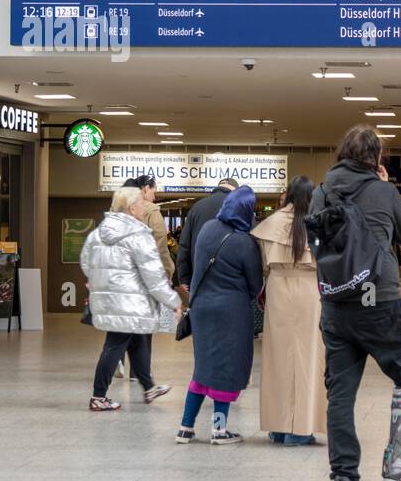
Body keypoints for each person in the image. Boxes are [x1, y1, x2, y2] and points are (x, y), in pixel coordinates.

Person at [310, 125, 401, 481]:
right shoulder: (383, 189)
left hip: (336, 302)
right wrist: (387, 187)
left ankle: (345, 479)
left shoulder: (321, 193)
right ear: (376, 158)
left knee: (340, 393)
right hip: (377, 298)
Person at [79, 185, 181, 411]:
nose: (145, 208)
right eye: (142, 205)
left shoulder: (99, 233)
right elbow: (153, 276)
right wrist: (173, 301)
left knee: (136, 341)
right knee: (114, 346)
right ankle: (98, 396)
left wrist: (103, 283)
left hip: (110, 300)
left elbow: (86, 262)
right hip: (130, 301)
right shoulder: (138, 235)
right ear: (132, 208)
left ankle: (149, 387)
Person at [176, 186, 263, 446]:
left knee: (202, 370)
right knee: (226, 370)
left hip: (201, 309)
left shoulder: (208, 229)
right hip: (231, 313)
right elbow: (255, 284)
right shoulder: (244, 242)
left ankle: (185, 428)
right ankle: (218, 430)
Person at [250, 176, 326, 447]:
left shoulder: (270, 225)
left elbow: (261, 266)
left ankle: (279, 426)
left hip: (279, 290)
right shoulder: (319, 223)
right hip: (310, 292)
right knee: (309, 359)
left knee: (278, 361)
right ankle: (302, 428)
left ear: (288, 195)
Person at [176, 177, 237, 293]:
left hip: (200, 280)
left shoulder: (197, 207)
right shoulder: (241, 208)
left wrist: (184, 278)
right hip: (232, 284)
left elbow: (184, 245)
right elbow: (252, 246)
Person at [122, 174, 175, 280]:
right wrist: (168, 271)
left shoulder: (118, 211)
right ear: (146, 189)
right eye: (153, 192)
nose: (154, 197)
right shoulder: (152, 212)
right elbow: (160, 248)